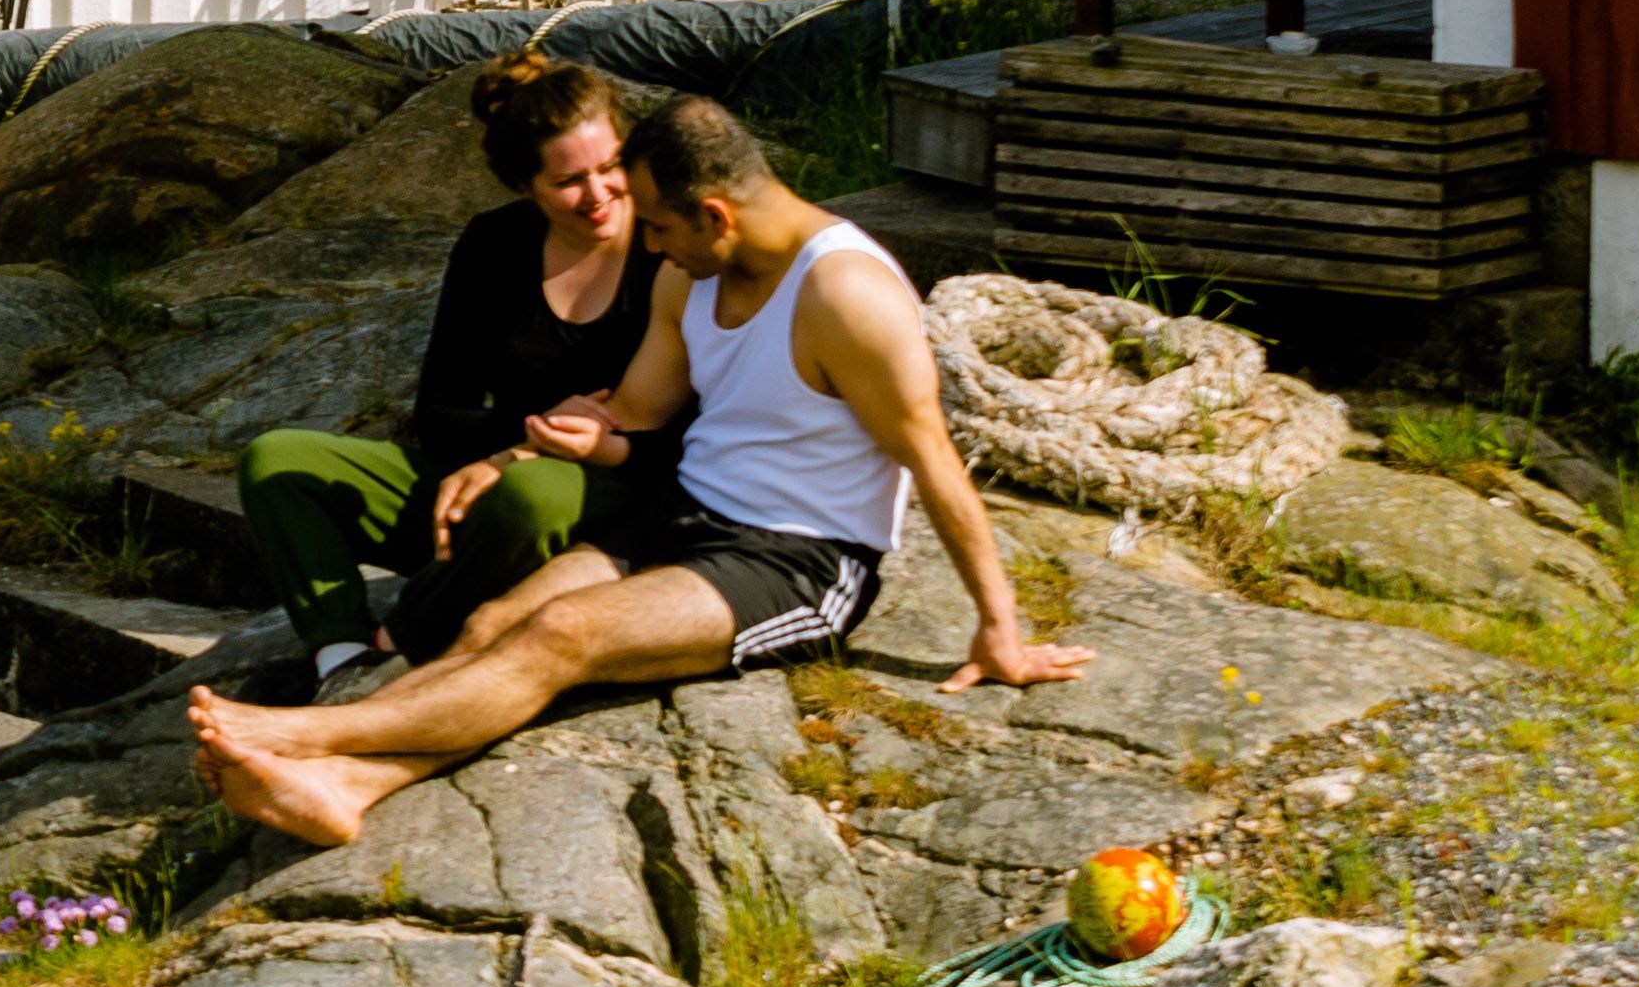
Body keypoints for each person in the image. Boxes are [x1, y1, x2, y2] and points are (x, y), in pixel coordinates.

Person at [187, 90, 1080, 847]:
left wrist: (998, 629)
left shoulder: (847, 296)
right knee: (496, 621)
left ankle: (308, 733)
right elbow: (637, 409)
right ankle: (350, 787)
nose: (644, 243)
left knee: (561, 636)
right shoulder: (688, 275)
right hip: (680, 514)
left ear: (715, 214)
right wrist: (505, 457)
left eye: (655, 223)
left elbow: (934, 463)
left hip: (796, 560)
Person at [228, 52, 671, 701]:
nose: (599, 194)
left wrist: (540, 455)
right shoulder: (494, 244)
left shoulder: (670, 250)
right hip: (484, 478)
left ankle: (402, 642)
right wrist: (512, 444)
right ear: (526, 187)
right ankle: (341, 657)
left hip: (610, 484)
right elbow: (439, 407)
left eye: (611, 167)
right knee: (277, 460)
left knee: (532, 498)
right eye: (569, 181)